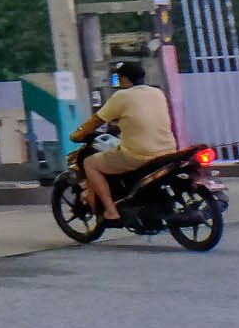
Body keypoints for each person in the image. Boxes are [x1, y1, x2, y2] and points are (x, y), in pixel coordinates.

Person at [74, 59, 178, 224]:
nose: (119, 81)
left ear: (125, 79)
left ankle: (111, 210)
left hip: (139, 155)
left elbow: (96, 121)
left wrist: (77, 135)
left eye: (119, 78)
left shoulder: (121, 96)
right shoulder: (157, 92)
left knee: (90, 163)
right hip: (168, 151)